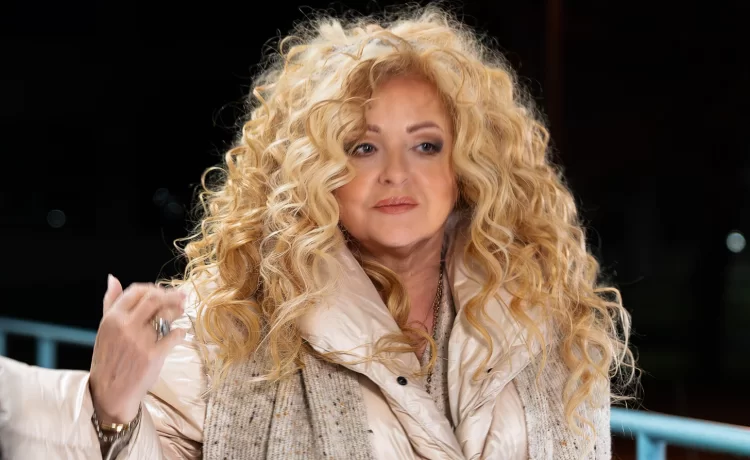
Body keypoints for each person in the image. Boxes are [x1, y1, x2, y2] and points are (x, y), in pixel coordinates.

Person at [0, 6, 634, 459]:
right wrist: (109, 410)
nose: (396, 173)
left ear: (465, 166)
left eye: (425, 145)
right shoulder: (229, 324)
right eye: (362, 146)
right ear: (317, 171)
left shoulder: (541, 318)